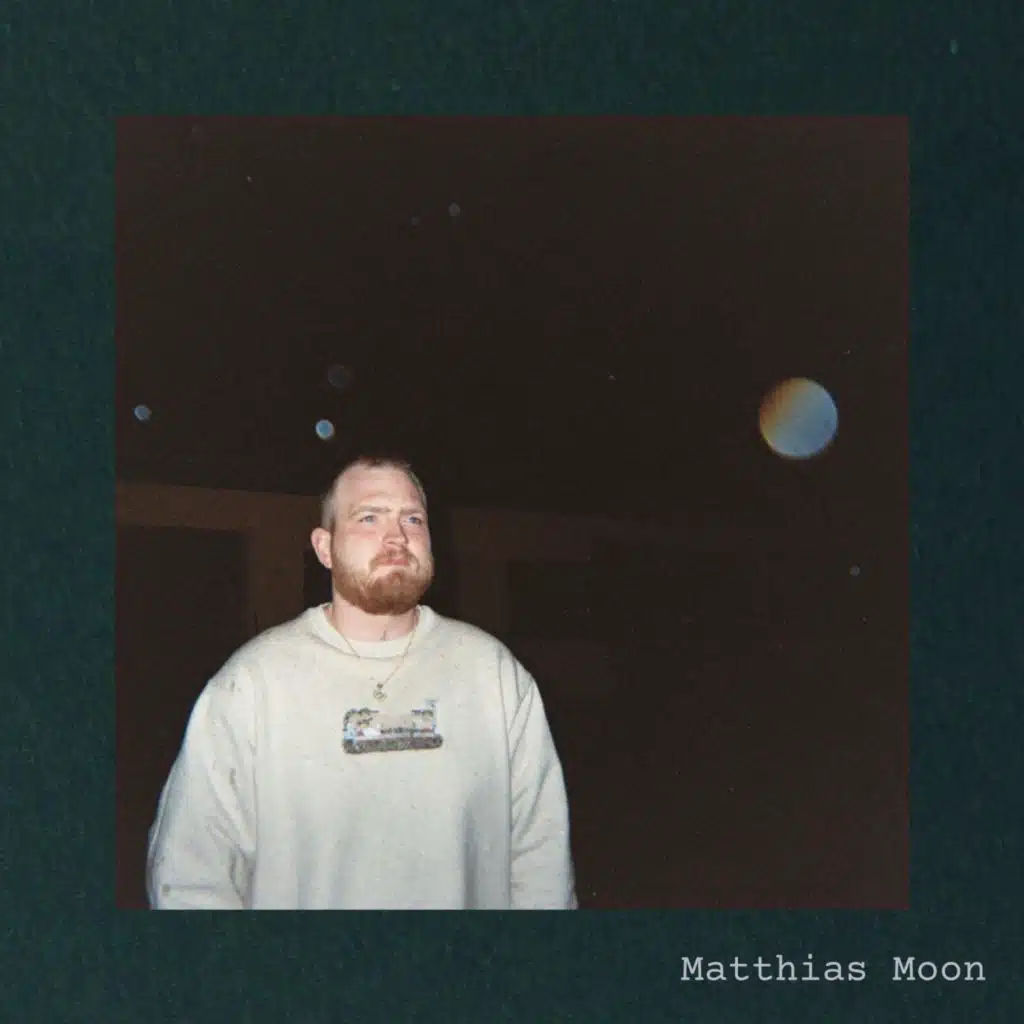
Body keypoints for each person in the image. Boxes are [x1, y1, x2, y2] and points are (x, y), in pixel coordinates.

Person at [146, 454, 577, 909]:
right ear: (324, 547)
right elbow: (189, 876)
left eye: (412, 519)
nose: (397, 536)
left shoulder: (495, 675)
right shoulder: (251, 684)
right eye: (369, 517)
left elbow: (542, 861)